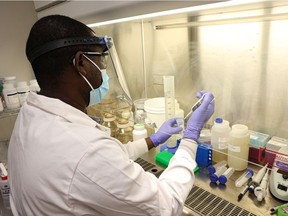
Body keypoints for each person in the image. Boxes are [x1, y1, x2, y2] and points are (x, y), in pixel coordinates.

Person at [7, 15, 215, 216]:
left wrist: (153, 140)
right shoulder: (84, 149)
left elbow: (104, 160)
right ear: (81, 63)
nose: (104, 69)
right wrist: (190, 138)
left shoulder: (31, 115)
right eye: (101, 59)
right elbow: (166, 205)